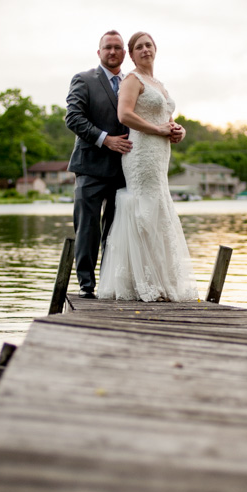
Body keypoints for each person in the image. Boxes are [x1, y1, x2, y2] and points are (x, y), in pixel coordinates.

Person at [98, 32, 199, 302]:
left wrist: (179, 132)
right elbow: (124, 114)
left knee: (159, 210)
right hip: (140, 153)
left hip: (160, 155)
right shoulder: (132, 79)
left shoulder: (160, 85)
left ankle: (161, 280)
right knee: (145, 210)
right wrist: (157, 129)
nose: (145, 50)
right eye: (139, 47)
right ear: (131, 55)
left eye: (148, 45)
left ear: (156, 49)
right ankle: (141, 282)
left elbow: (168, 119)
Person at [65, 31, 132, 298]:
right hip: (90, 166)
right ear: (99, 52)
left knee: (115, 231)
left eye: (117, 48)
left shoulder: (131, 82)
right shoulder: (83, 79)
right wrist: (105, 140)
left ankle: (109, 284)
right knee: (88, 228)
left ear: (124, 53)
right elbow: (73, 118)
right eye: (107, 47)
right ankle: (86, 286)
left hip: (123, 170)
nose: (112, 52)